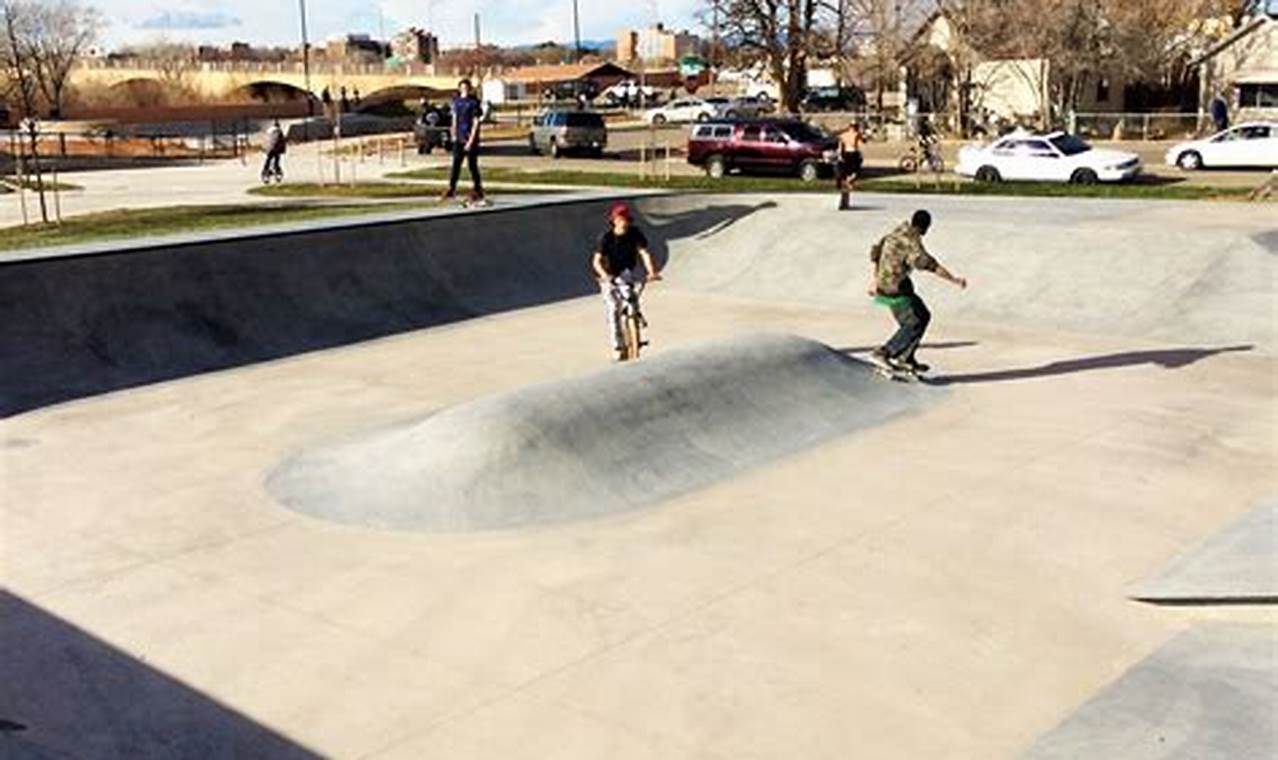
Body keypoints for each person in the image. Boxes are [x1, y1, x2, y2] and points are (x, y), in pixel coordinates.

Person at [867, 210, 967, 374]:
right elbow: (931, 266)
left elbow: (876, 253)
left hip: (885, 284)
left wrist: (875, 280)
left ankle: (906, 357)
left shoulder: (897, 231)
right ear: (926, 227)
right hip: (895, 289)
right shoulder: (913, 244)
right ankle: (884, 353)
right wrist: (954, 280)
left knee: (923, 314)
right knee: (914, 323)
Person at [591, 202, 662, 360]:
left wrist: (652, 272)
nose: (625, 222)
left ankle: (634, 327)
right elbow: (596, 261)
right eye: (621, 218)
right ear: (614, 220)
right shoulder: (606, 238)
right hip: (608, 275)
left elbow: (644, 253)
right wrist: (604, 276)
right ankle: (617, 345)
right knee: (613, 308)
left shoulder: (635, 234)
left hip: (626, 273)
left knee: (630, 299)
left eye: (627, 219)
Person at [442, 78, 486, 205]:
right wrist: (453, 134)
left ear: (470, 89)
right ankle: (451, 188)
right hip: (459, 138)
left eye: (466, 88)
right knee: (456, 164)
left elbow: (476, 122)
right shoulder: (456, 101)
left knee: (472, 165)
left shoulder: (474, 103)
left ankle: (478, 189)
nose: (464, 90)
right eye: (462, 88)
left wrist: (470, 141)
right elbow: (454, 119)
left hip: (470, 138)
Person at [836, 122, 864, 211]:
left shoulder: (844, 135)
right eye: (855, 127)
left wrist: (840, 155)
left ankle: (845, 198)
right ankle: (846, 190)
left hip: (848, 155)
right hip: (852, 155)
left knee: (848, 176)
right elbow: (864, 140)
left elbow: (840, 147)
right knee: (852, 175)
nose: (855, 128)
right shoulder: (855, 134)